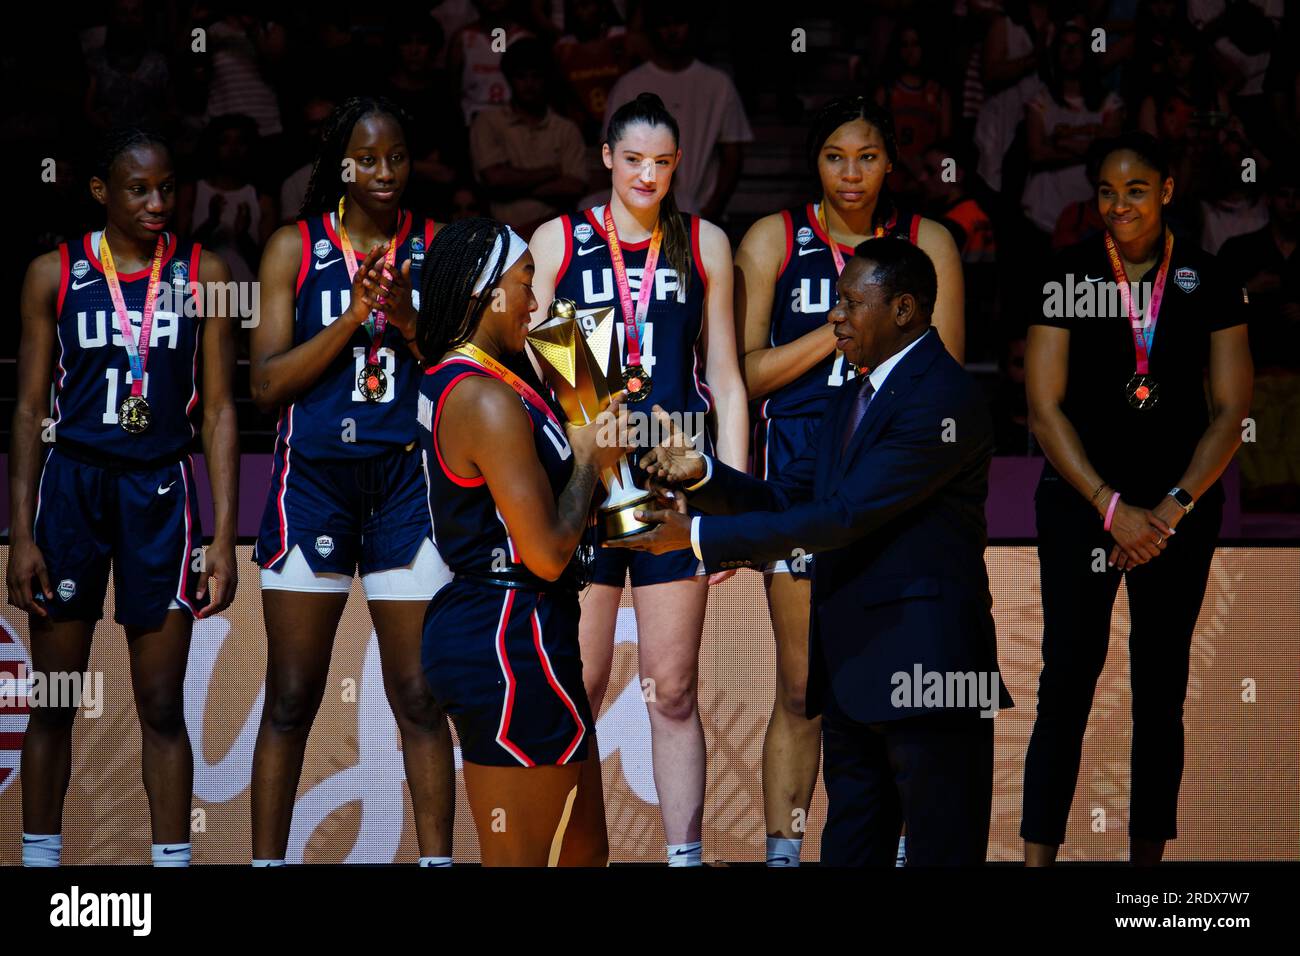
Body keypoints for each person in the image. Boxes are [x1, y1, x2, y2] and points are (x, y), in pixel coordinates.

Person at [616, 237, 1012, 866]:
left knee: (942, 854)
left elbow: (841, 518)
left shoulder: (944, 397)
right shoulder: (851, 395)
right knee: (851, 850)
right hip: (855, 675)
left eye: (854, 304)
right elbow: (786, 497)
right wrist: (703, 477)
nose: (836, 317)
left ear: (904, 309)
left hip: (931, 674)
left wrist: (694, 540)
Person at [732, 96, 965, 867]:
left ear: (891, 163)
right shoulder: (773, 238)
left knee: (892, 683)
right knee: (801, 687)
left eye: (867, 156)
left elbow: (945, 370)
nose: (852, 172)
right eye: (836, 155)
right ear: (815, 162)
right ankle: (784, 854)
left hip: (892, 467)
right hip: (802, 466)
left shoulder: (927, 240)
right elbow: (746, 375)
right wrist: (840, 325)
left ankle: (897, 849)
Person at [8, 128, 239, 866]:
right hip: (73, 486)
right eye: (138, 189)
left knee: (162, 706)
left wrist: (225, 537)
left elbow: (222, 412)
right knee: (55, 701)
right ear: (101, 191)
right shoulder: (52, 272)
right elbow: (26, 408)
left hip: (162, 491)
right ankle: (41, 866)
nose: (157, 202)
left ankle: (171, 863)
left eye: (168, 187)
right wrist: (21, 531)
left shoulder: (209, 273)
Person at [1022, 132, 1254, 865]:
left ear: (1166, 192)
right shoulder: (1065, 273)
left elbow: (1231, 411)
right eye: (1107, 192)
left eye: (1135, 190)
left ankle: (1145, 875)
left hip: (1176, 516)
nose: (1119, 205)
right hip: (1081, 506)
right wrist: (1109, 504)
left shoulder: (1212, 281)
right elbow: (1043, 408)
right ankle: (1038, 859)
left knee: (1161, 691)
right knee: (1066, 682)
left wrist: (1173, 507)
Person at [529, 92, 748, 866]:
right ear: (605, 158)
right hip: (590, 490)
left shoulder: (706, 243)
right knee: (579, 690)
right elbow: (540, 370)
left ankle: (682, 858)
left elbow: (725, 374)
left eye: (661, 162)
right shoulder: (556, 240)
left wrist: (734, 503)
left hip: (673, 489)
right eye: (632, 161)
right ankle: (576, 853)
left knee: (674, 687)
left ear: (679, 163)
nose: (647, 176)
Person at [247, 97, 455, 867]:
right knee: (293, 696)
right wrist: (349, 319)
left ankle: (437, 862)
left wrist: (405, 319)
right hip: (314, 487)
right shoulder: (291, 250)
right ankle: (268, 865)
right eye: (367, 159)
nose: (385, 172)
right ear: (340, 164)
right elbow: (266, 386)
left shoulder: (437, 247)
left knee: (421, 697)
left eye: (396, 157)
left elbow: (465, 369)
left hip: (407, 484)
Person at [415, 217, 627, 865]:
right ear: (485, 294)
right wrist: (593, 457)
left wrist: (584, 366)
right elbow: (546, 550)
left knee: (583, 852)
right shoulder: (483, 399)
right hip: (509, 634)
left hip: (526, 626)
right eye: (524, 284)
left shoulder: (497, 378)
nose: (536, 302)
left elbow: (619, 503)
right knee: (525, 858)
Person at [601, 3, 753, 219]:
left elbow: (732, 156)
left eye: (679, 22)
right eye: (664, 24)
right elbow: (615, 152)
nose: (672, 31)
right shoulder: (629, 84)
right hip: (639, 216)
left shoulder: (718, 84)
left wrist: (709, 212)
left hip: (702, 214)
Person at [469, 37, 588, 236]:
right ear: (509, 79)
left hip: (556, 236)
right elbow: (495, 178)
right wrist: (550, 172)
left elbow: (574, 187)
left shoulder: (566, 128)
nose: (529, 84)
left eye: (536, 77)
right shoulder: (487, 122)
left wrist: (508, 191)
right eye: (521, 77)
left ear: (546, 79)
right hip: (501, 235)